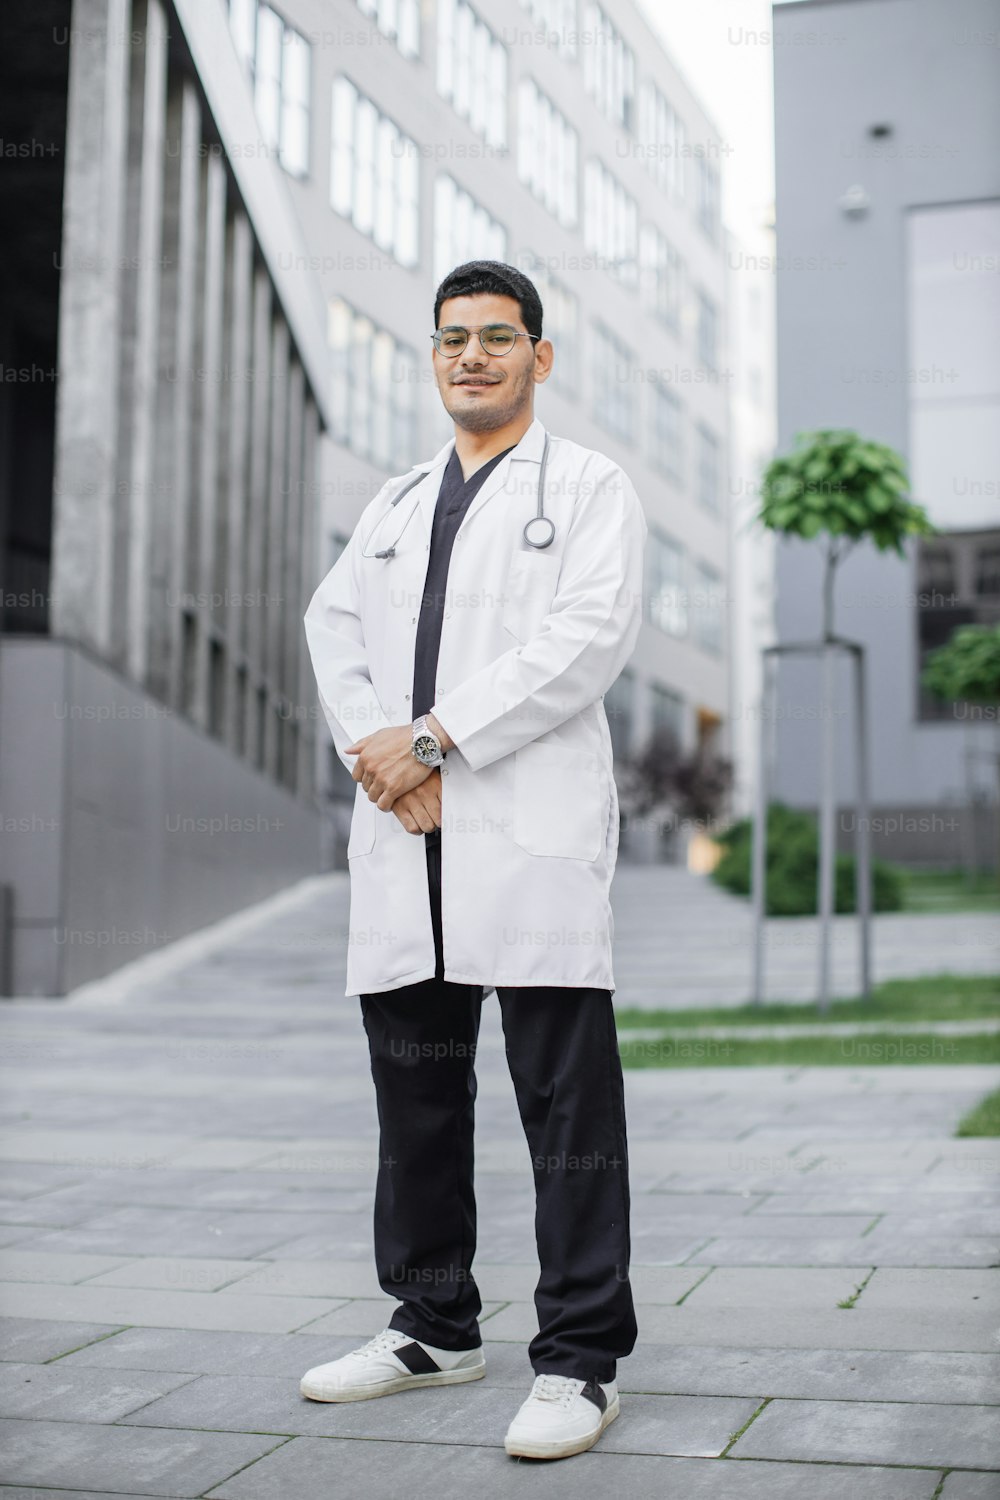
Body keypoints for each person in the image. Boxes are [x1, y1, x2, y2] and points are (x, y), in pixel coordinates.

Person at [301, 260, 647, 1461]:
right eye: (452, 339)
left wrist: (439, 737)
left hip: (525, 835)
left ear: (538, 360)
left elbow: (585, 638)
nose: (472, 357)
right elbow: (330, 628)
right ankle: (434, 1323)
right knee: (416, 1104)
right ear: (434, 355)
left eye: (498, 338)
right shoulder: (394, 502)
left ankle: (582, 1358)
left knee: (565, 1109)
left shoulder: (591, 488)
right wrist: (382, 757)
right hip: (409, 835)